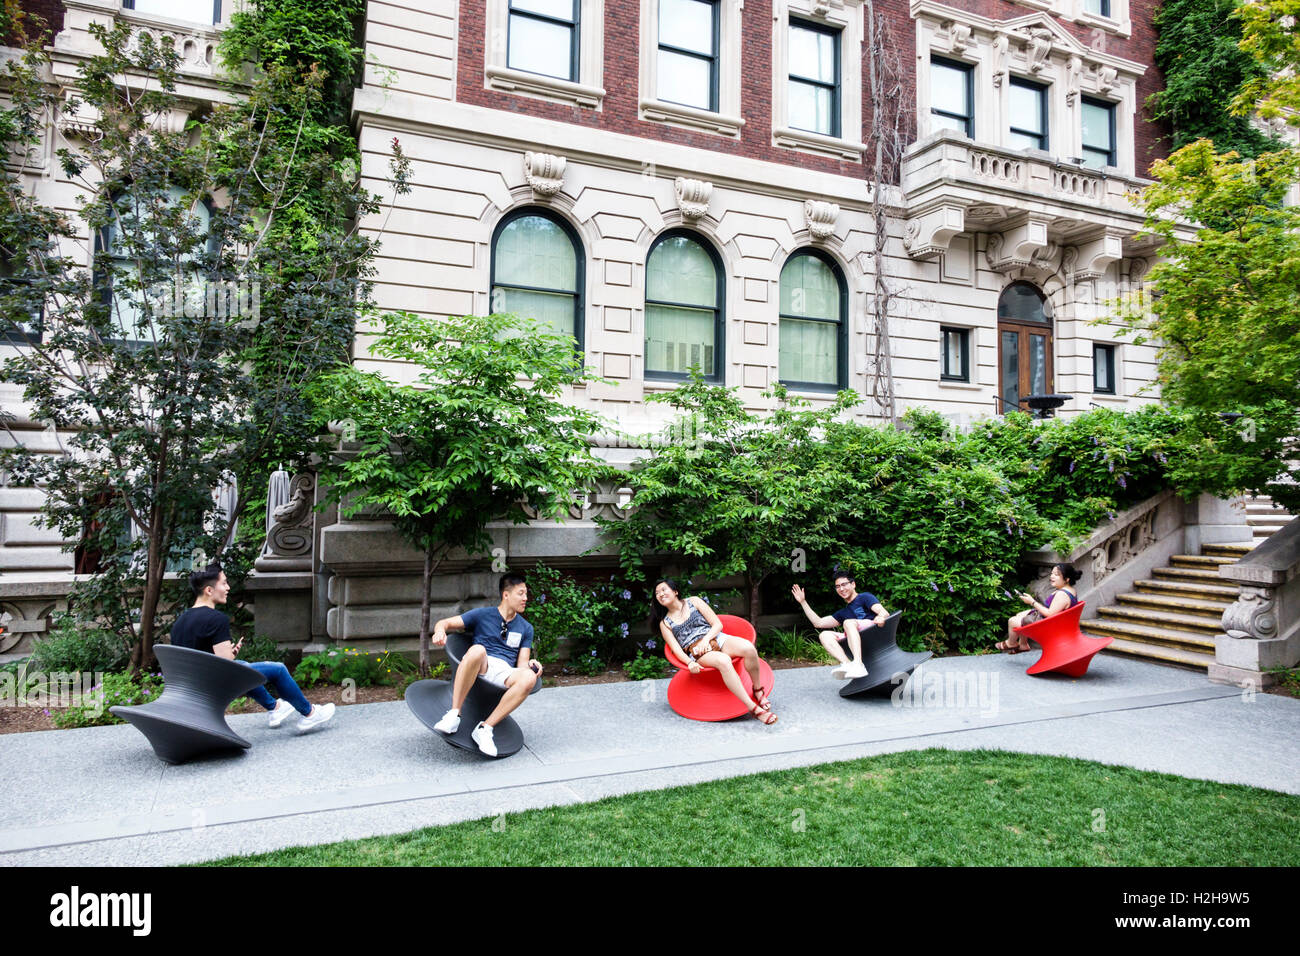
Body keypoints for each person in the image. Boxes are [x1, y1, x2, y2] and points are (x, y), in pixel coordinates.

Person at [170, 564, 335, 732]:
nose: (228, 588)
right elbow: (225, 664)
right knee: (277, 669)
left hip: (190, 686)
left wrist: (230, 654)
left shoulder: (180, 621)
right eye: (224, 583)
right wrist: (230, 656)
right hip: (212, 687)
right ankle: (310, 714)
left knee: (243, 666)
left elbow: (198, 657)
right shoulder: (216, 619)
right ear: (209, 590)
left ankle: (275, 708)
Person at [430, 572, 543, 757]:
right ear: (506, 595)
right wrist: (439, 631)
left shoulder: (526, 628)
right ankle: (454, 714)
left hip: (505, 672)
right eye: (521, 593)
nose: (525, 598)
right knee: (477, 649)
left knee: (529, 676)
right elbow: (445, 622)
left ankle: (485, 728)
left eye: (526, 594)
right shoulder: (483, 614)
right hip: (482, 663)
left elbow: (522, 665)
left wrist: (532, 666)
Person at [653, 578, 776, 724]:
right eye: (657, 593)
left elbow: (717, 624)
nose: (660, 594)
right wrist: (689, 662)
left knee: (748, 648)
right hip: (699, 651)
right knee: (724, 661)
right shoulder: (665, 623)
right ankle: (754, 709)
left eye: (663, 590)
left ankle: (757, 690)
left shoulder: (694, 601)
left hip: (716, 638)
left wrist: (706, 640)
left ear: (675, 591)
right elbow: (676, 650)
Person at [791, 571, 889, 680]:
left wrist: (881, 617)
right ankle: (847, 664)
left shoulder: (865, 597)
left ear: (853, 584)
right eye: (837, 586)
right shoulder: (843, 613)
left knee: (848, 622)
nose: (841, 589)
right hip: (855, 638)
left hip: (872, 632)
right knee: (824, 635)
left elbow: (883, 612)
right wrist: (803, 602)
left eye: (844, 584)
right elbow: (818, 623)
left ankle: (858, 664)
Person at [997, 562, 1081, 653]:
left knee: (1012, 621)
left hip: (1050, 626)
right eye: (1052, 573)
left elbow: (1049, 614)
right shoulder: (1069, 590)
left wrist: (1032, 602)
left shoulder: (1062, 595)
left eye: (1056, 575)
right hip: (1056, 621)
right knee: (1020, 614)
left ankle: (1011, 643)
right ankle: (1023, 644)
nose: (1052, 576)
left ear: (1067, 579)